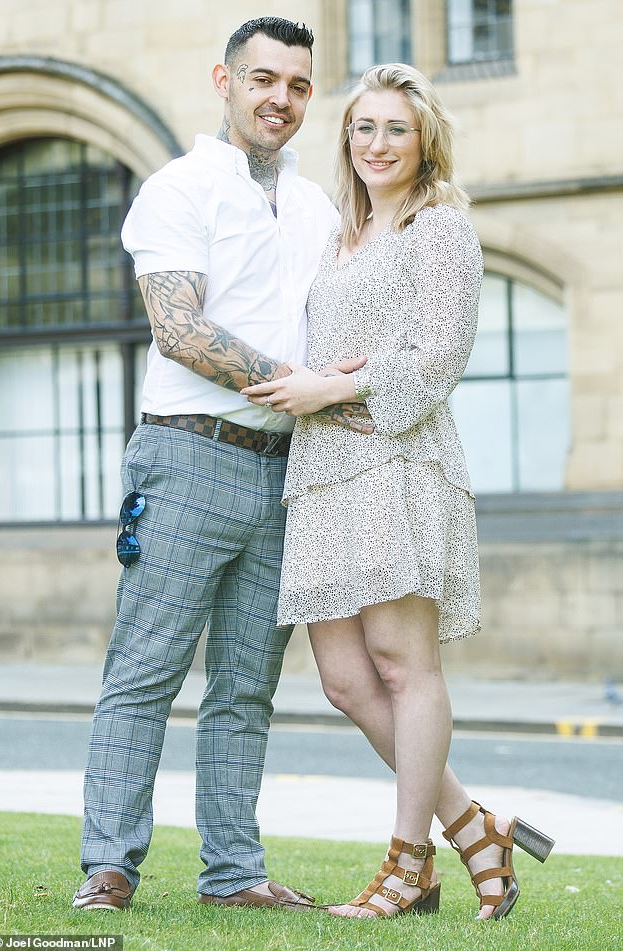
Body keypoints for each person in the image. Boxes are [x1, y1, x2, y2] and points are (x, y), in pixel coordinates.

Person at [72, 16, 372, 913]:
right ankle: (109, 866)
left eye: (298, 84)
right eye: (262, 79)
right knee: (145, 670)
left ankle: (234, 874)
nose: (280, 98)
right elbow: (178, 328)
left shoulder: (318, 207)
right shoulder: (179, 188)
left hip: (285, 472)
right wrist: (306, 386)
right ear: (224, 80)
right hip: (187, 455)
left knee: (246, 686)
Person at [242, 63, 555, 920]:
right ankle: (475, 826)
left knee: (403, 664)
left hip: (397, 460)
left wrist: (335, 386)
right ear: (347, 138)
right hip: (321, 473)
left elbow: (443, 353)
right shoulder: (337, 235)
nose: (376, 144)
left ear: (425, 143)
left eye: (396, 129)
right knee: (345, 680)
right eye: (363, 127)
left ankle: (409, 862)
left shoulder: (439, 227)